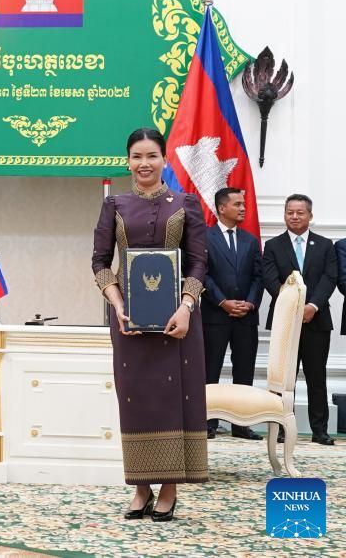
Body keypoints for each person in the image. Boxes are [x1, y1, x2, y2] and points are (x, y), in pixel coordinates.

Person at [91, 127, 208, 522]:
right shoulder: (115, 207)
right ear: (128, 161)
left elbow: (197, 263)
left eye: (152, 156)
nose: (144, 164)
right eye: (137, 156)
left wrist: (187, 306)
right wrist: (117, 302)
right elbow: (100, 263)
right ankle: (141, 487)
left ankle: (170, 489)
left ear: (164, 160)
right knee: (136, 399)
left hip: (178, 321)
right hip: (129, 321)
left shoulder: (186, 203)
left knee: (172, 399)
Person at [262, 194, 338, 446]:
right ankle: (281, 429)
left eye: (299, 212)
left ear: (310, 216)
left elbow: (330, 277)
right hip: (285, 322)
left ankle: (320, 431)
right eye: (289, 212)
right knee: (283, 378)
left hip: (316, 321)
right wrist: (291, 306)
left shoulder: (325, 245)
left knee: (317, 377)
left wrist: (312, 306)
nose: (294, 217)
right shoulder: (273, 245)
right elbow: (270, 279)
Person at [201, 187, 264, 440]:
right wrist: (223, 302)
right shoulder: (203, 237)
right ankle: (207, 423)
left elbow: (258, 277)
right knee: (210, 371)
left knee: (244, 371)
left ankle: (241, 424)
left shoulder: (250, 240)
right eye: (237, 204)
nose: (243, 208)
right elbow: (202, 274)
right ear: (221, 208)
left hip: (246, 318)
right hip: (215, 317)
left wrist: (249, 303)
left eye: (243, 204)